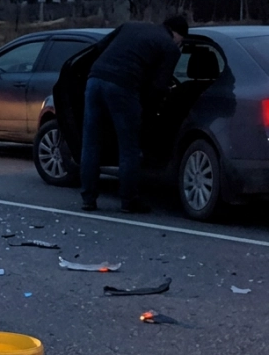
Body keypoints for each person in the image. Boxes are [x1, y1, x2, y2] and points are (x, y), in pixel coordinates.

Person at [80, 15, 188, 213]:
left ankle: (88, 198)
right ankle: (129, 200)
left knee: (91, 143)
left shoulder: (130, 25)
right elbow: (159, 86)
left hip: (95, 79)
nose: (180, 45)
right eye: (181, 41)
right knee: (129, 147)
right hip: (123, 86)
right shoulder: (170, 47)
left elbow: (99, 48)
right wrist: (147, 109)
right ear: (177, 35)